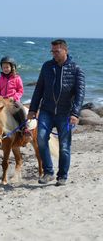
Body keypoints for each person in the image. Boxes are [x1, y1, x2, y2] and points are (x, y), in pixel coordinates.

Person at [27, 39, 85, 186]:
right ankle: (48, 172)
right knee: (40, 139)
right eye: (52, 51)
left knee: (64, 145)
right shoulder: (47, 66)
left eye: (56, 51)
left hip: (65, 114)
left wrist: (75, 113)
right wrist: (33, 109)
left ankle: (62, 175)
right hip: (46, 110)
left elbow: (80, 93)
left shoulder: (76, 69)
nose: (54, 54)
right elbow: (39, 88)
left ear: (65, 50)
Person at [0, 56, 33, 144]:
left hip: (13, 101)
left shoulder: (17, 78)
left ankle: (25, 128)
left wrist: (14, 97)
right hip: (1, 101)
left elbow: (20, 90)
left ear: (12, 67)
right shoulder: (1, 79)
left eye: (7, 67)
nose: (5, 69)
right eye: (4, 67)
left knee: (21, 109)